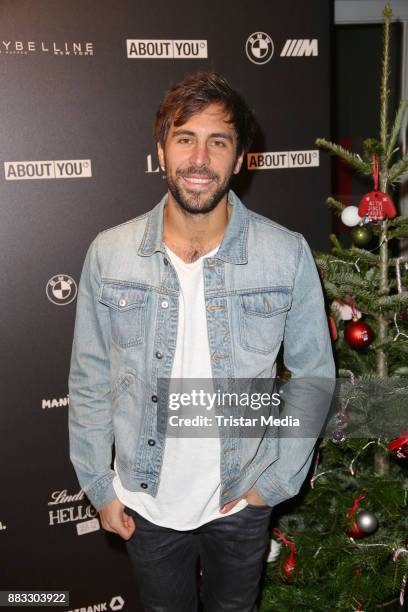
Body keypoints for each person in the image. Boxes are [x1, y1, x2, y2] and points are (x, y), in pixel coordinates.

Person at [68, 71, 335, 612]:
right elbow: (90, 376)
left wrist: (274, 484)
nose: (199, 158)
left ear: (239, 159)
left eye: (219, 141)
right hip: (144, 500)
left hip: (242, 498)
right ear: (161, 151)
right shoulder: (110, 254)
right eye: (185, 138)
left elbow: (312, 375)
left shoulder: (285, 254)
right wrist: (100, 485)